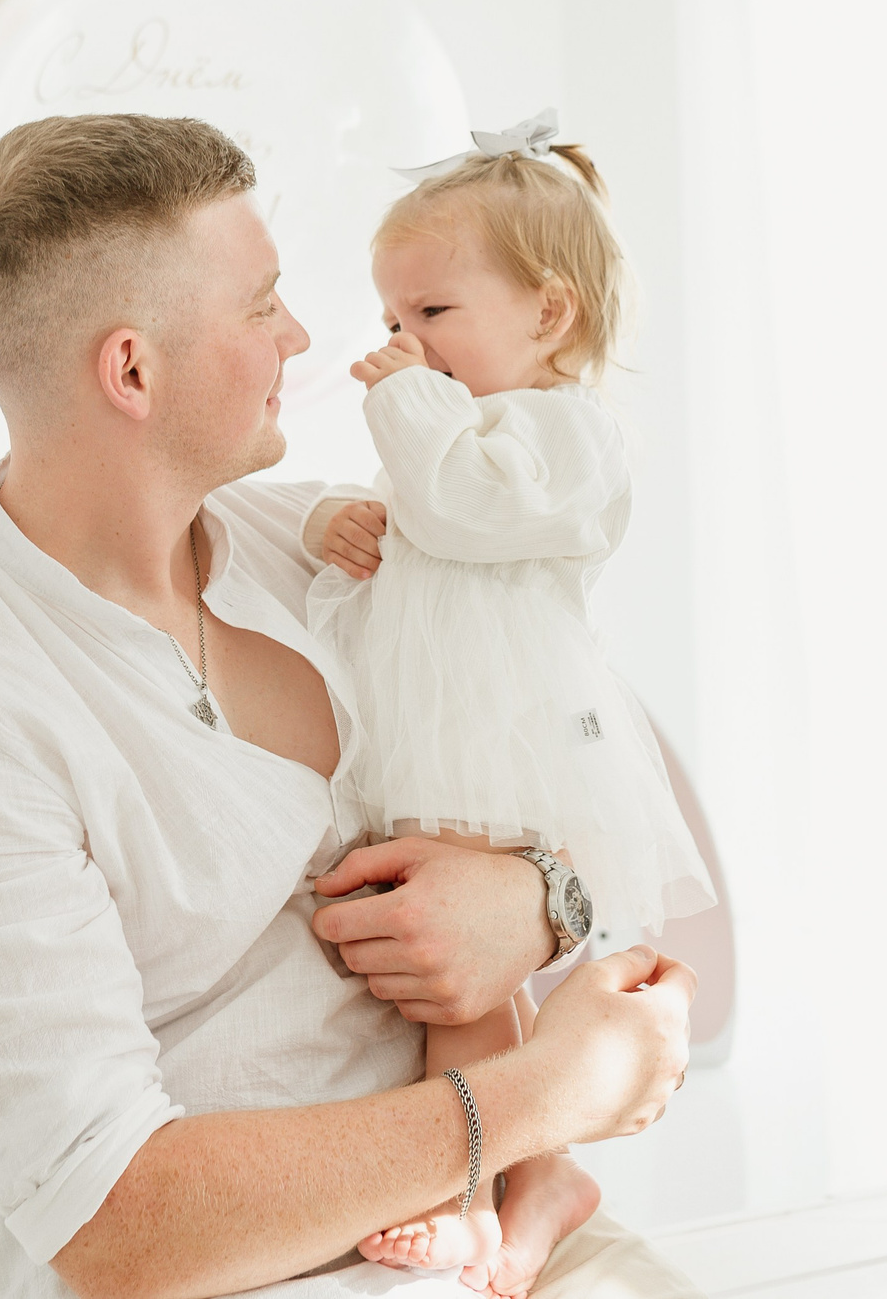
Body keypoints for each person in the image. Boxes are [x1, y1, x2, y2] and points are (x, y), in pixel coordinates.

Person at [0, 113, 705, 1299]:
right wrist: (546, 1092)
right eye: (262, 304)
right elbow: (119, 1223)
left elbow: (535, 740)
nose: (303, 335)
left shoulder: (320, 543)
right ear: (131, 369)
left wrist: (537, 899)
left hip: (493, 1234)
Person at [302, 115, 715, 1289]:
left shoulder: (569, 434)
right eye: (390, 319)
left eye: (432, 314)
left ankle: (475, 1200)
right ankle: (539, 1182)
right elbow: (413, 514)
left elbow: (467, 508)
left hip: (508, 736)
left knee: (468, 977)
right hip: (443, 727)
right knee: (458, 974)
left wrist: (403, 409)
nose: (401, 343)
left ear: (547, 315)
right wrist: (330, 514)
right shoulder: (462, 426)